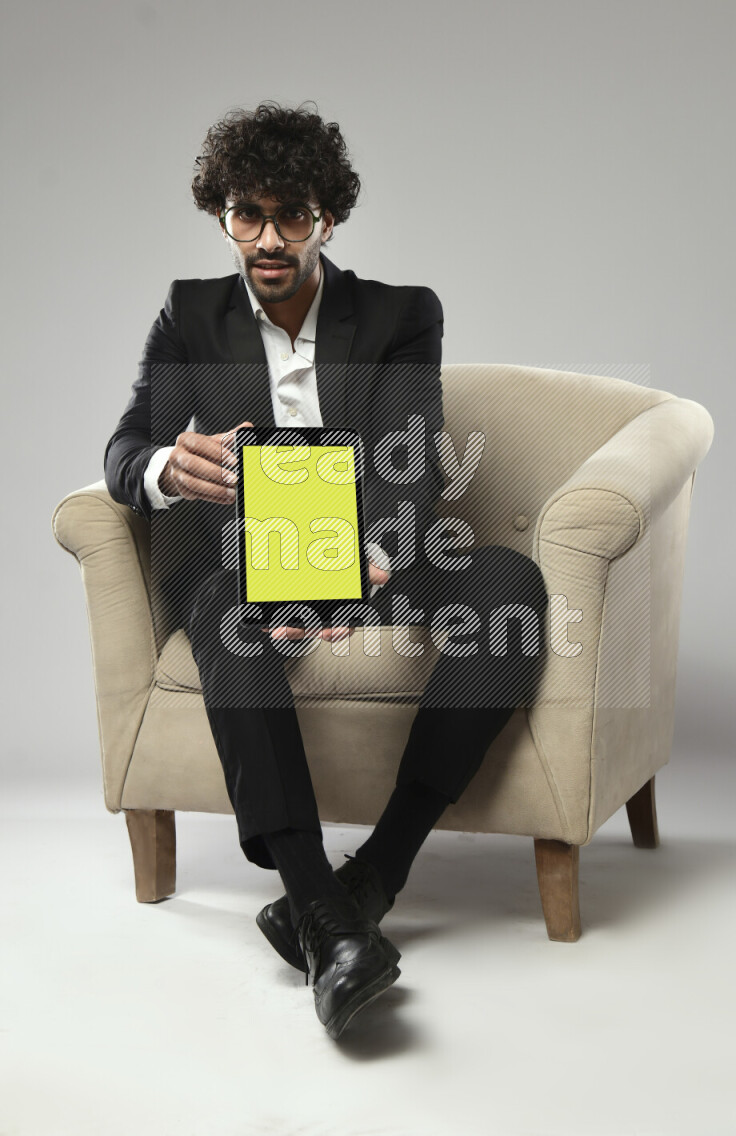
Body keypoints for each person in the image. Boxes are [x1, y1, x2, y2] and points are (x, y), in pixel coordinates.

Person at [105, 102, 547, 1039]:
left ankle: (378, 870)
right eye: (245, 216)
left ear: (328, 217)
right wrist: (160, 467)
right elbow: (122, 450)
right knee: (229, 612)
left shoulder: (398, 314)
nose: (267, 240)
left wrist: (365, 565)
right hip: (241, 558)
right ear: (221, 216)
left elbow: (415, 455)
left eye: (290, 216)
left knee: (510, 587)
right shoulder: (188, 314)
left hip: (377, 553)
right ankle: (321, 910)